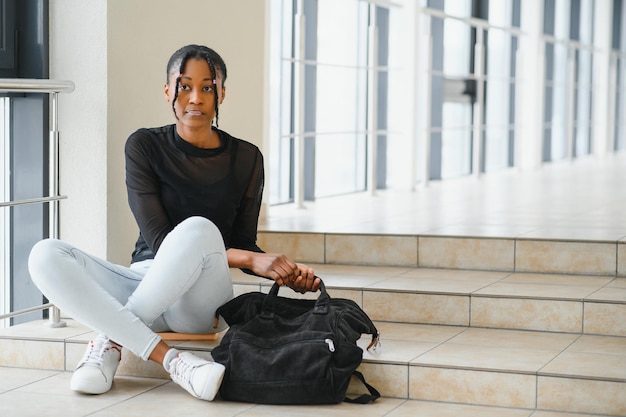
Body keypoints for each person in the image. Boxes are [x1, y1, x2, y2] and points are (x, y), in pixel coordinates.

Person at [28, 44, 320, 401]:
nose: (195, 98)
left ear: (221, 94)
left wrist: (281, 270)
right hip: (145, 279)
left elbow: (244, 242)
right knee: (44, 253)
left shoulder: (246, 158)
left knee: (198, 230)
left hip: (197, 301)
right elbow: (162, 241)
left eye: (207, 87)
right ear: (167, 91)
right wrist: (248, 258)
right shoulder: (144, 145)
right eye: (184, 86)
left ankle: (110, 339)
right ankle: (174, 360)